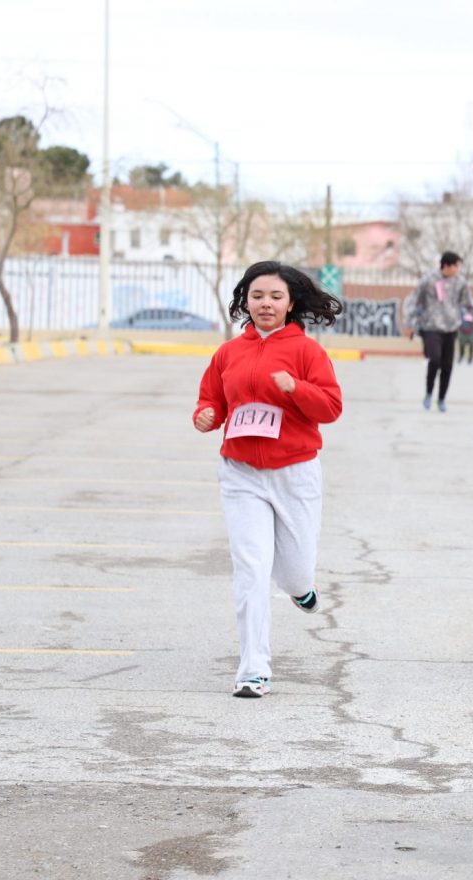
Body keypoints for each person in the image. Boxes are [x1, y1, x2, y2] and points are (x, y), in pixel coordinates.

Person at [193, 260, 344, 698]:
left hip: (294, 472)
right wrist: (206, 415)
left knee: (295, 571)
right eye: (257, 296)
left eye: (276, 297)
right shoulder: (228, 353)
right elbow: (211, 400)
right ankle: (253, 669)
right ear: (246, 301)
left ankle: (301, 588)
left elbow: (331, 408)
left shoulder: (307, 353)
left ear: (290, 303)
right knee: (251, 568)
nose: (265, 304)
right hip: (240, 473)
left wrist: (296, 388)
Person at [407, 251, 471, 412]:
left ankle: (441, 399)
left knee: (447, 365)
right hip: (431, 327)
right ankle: (429, 393)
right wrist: (410, 322)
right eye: (456, 266)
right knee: (434, 359)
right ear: (447, 266)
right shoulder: (428, 279)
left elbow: (469, 304)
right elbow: (414, 300)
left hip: (451, 328)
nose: (458, 269)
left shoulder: (461, 282)